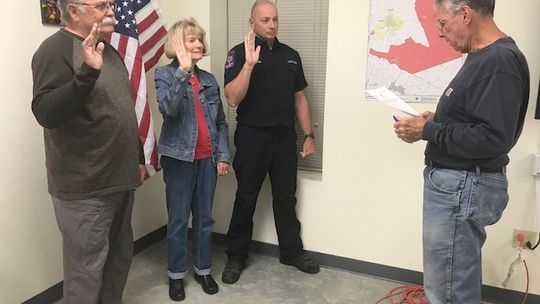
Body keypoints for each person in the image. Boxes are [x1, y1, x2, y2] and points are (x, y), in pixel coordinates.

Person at [393, 0, 530, 303]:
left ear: (465, 14)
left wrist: (428, 131)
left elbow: (494, 137)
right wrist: (436, 121)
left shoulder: (499, 61)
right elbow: (477, 121)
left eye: (442, 23)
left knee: (449, 292)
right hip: (459, 186)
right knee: (452, 282)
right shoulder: (484, 57)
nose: (440, 33)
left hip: (462, 188)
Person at [31, 1, 147, 303]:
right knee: (86, 272)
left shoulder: (110, 50)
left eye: (110, 4)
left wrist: (137, 157)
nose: (111, 10)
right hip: (85, 187)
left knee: (119, 258)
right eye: (101, 5)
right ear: (73, 11)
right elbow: (46, 112)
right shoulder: (53, 50)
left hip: (120, 179)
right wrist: (85, 75)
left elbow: (123, 110)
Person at [221, 0, 319, 284]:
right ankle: (236, 256)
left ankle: (291, 252)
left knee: (286, 198)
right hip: (252, 136)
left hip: (284, 138)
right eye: (264, 20)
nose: (272, 24)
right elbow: (232, 98)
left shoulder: (291, 55)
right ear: (252, 23)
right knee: (246, 198)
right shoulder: (238, 54)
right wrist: (249, 66)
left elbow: (299, 97)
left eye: (274, 19)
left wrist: (309, 135)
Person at [155, 17, 230, 301]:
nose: (198, 43)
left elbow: (221, 123)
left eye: (200, 38)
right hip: (178, 160)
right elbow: (168, 109)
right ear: (177, 44)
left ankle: (202, 269)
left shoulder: (210, 81)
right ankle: (176, 274)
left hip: (207, 160)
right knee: (177, 220)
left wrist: (222, 155)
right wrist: (183, 72)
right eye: (191, 39)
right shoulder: (165, 75)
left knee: (204, 219)